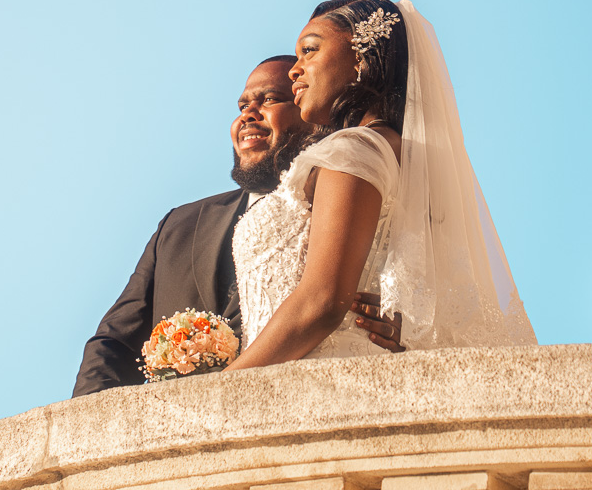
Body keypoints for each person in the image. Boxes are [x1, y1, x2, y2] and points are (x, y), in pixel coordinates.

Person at [223, 0, 545, 490]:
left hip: (304, 422)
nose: (297, 70)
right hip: (344, 411)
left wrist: (225, 391)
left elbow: (320, 298)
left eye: (311, 50)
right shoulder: (395, 152)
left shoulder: (352, 150)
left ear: (364, 59)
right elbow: (392, 292)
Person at [72, 54, 398, 396]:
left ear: (312, 111)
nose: (248, 114)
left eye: (270, 99)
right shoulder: (179, 225)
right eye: (243, 104)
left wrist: (398, 326)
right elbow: (113, 344)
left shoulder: (361, 206)